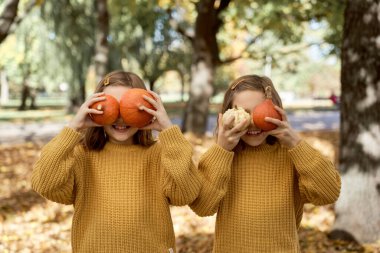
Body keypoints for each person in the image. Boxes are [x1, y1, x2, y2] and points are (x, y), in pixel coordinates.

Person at [31, 70, 201, 252]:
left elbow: (186, 193)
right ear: (93, 107)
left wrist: (169, 132)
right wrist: (73, 128)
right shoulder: (81, 155)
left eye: (129, 106)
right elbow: (46, 184)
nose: (120, 116)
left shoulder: (161, 154)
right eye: (113, 106)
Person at [190, 75, 341, 252]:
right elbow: (203, 207)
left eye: (261, 112)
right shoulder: (220, 157)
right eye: (244, 113)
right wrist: (222, 150)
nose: (253, 123)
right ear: (226, 116)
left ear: (276, 111)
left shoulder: (292, 156)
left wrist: (295, 142)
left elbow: (329, 193)